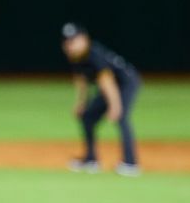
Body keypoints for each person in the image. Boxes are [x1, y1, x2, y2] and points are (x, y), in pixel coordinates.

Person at [61, 22, 142, 177]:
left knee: (121, 116)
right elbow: (81, 80)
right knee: (87, 117)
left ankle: (131, 163)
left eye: (73, 41)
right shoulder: (76, 56)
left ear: (84, 39)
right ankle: (91, 159)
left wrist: (115, 106)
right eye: (67, 42)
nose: (69, 45)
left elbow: (108, 82)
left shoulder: (94, 55)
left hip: (127, 82)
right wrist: (81, 103)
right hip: (109, 87)